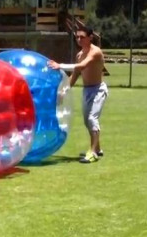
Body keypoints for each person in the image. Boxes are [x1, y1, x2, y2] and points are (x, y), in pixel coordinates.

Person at [48, 26, 108, 163]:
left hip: (98, 90)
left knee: (92, 119)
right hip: (87, 90)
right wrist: (64, 91)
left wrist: (60, 65)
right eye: (77, 37)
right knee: (87, 121)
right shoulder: (80, 55)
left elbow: (81, 67)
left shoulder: (95, 52)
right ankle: (97, 149)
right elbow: (75, 76)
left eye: (82, 37)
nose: (79, 39)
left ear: (90, 37)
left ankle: (93, 153)